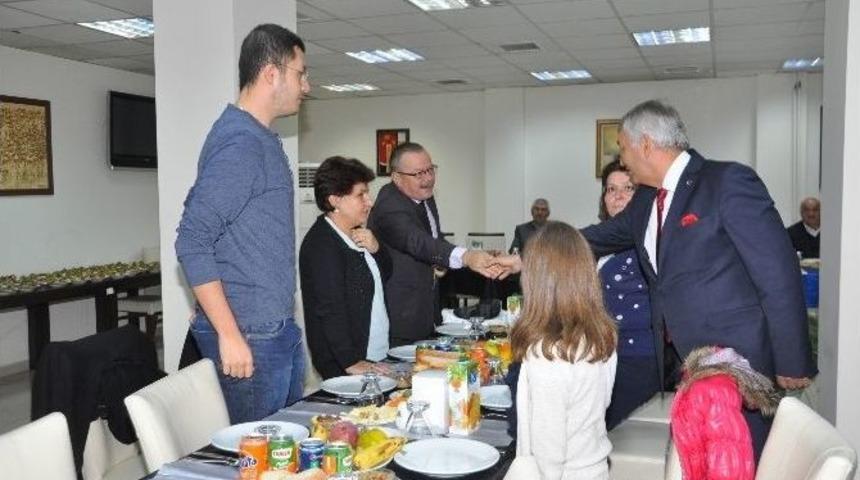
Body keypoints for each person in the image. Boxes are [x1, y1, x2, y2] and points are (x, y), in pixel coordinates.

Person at [492, 100, 816, 462]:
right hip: (682, 363)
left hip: (738, 361)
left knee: (740, 457)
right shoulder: (646, 199)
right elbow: (595, 236)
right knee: (702, 458)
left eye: (624, 148)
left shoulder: (725, 182)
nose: (622, 159)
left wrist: (792, 359)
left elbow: (777, 270)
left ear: (645, 144)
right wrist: (525, 257)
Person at [175, 24, 310, 423]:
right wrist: (227, 331)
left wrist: (207, 302)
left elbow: (204, 213)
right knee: (258, 460)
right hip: (251, 334)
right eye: (300, 73)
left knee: (286, 449)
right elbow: (192, 239)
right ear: (272, 73)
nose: (306, 84)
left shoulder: (256, 138)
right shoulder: (242, 144)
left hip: (273, 326)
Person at [510, 221, 617, 479]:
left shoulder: (546, 353)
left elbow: (548, 452)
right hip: (595, 468)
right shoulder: (602, 337)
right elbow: (603, 403)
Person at [367, 142, 499, 346]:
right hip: (401, 318)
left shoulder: (423, 196)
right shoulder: (389, 205)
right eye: (419, 174)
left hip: (427, 311)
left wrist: (468, 255)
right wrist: (465, 257)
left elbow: (434, 239)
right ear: (396, 177)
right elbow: (417, 242)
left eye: (430, 170)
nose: (428, 179)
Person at [299, 156, 393, 380]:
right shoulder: (322, 244)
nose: (369, 202)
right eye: (361, 195)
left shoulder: (357, 231)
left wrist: (377, 249)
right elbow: (330, 308)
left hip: (373, 353)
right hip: (346, 362)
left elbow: (385, 275)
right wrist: (349, 361)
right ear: (335, 200)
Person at [597, 159, 660, 430]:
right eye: (611, 189)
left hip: (636, 359)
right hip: (600, 356)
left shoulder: (651, 242)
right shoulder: (597, 238)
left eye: (628, 188)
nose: (618, 196)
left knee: (623, 438)